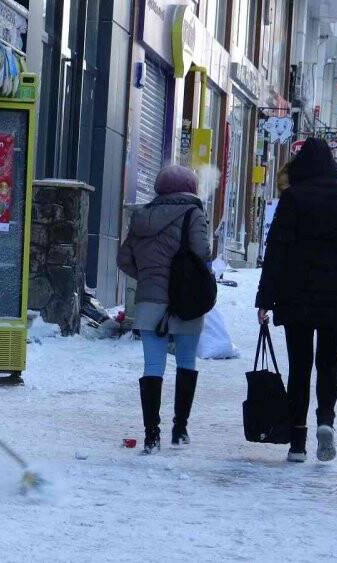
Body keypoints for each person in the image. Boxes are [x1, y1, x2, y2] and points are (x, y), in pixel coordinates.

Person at [257, 138, 337, 463]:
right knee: (329, 364)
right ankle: (326, 420)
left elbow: (276, 250)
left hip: (296, 294)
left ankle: (297, 442)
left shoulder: (293, 198)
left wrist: (265, 299)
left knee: (299, 366)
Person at [118, 165, 210, 454]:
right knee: (186, 362)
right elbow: (202, 252)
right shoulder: (194, 214)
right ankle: (180, 428)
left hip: (149, 302)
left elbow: (124, 259)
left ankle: (151, 435)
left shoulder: (141, 217)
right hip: (186, 301)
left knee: (153, 367)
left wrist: (148, 276)